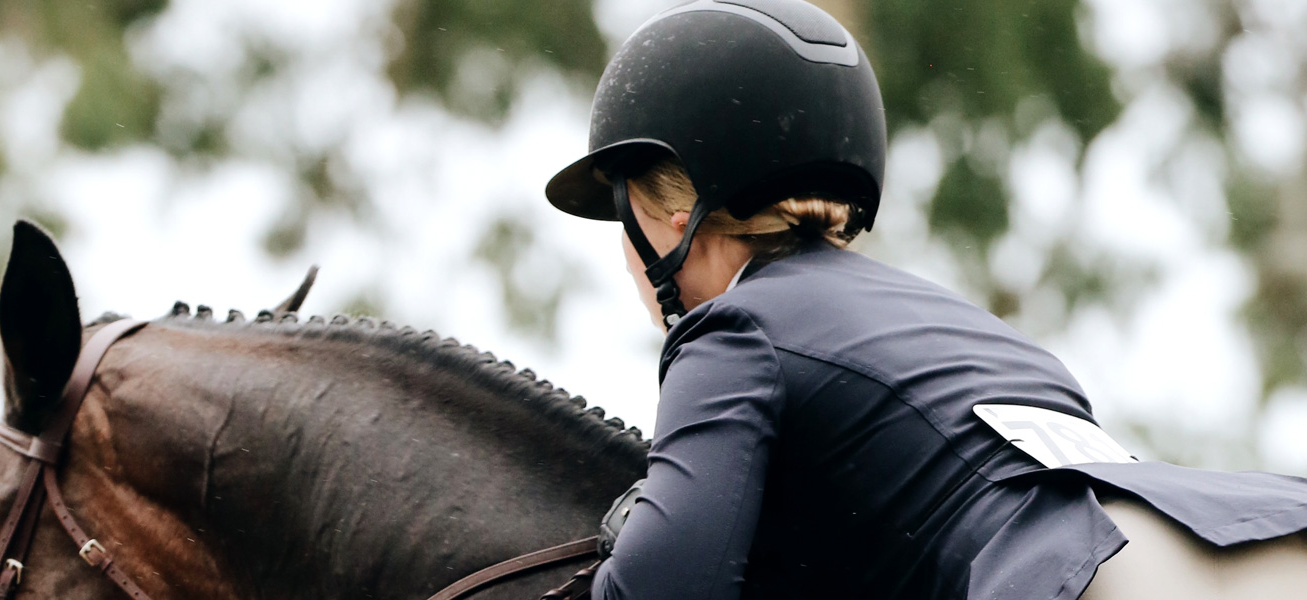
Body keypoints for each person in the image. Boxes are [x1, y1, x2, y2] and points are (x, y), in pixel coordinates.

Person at [543, 1, 1307, 598]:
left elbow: (665, 592)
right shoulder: (969, 331)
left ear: (669, 219)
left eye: (621, 213)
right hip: (1257, 532)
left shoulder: (733, 331)